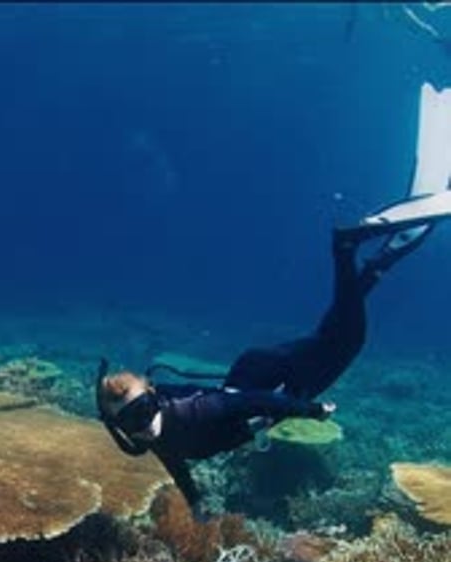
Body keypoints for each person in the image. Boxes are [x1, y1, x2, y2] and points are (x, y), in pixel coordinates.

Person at [96, 83, 451, 520]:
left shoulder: (191, 413)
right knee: (337, 327)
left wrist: (312, 410)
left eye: (144, 409)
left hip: (272, 383)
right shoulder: (159, 437)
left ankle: (344, 247)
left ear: (154, 396)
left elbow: (248, 404)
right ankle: (374, 266)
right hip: (256, 373)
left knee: (348, 339)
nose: (144, 423)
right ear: (119, 428)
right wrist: (197, 504)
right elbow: (174, 460)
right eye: (132, 421)